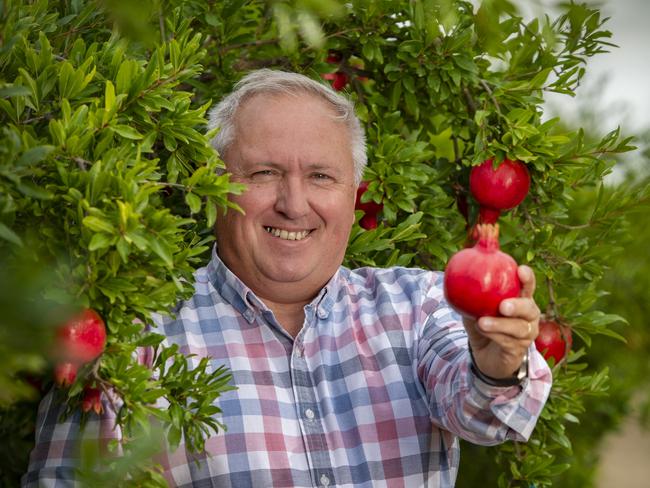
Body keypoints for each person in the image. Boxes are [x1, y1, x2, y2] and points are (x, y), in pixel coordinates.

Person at [24, 69, 552, 487]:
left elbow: (485, 417)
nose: (293, 204)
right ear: (212, 186)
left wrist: (497, 361)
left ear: (354, 195)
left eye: (321, 176)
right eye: (264, 173)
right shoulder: (136, 335)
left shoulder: (418, 305)